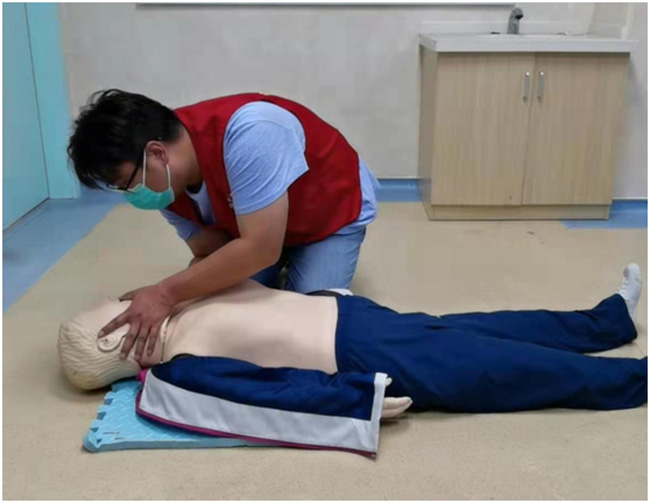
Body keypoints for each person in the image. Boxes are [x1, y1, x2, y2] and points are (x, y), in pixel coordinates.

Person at [59, 264, 647, 413]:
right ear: (116, 343)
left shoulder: (182, 303)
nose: (124, 300)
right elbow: (272, 392)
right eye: (113, 312)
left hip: (358, 319)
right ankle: (635, 379)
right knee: (507, 365)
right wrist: (358, 398)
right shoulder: (181, 366)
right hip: (364, 355)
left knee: (491, 326)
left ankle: (607, 321)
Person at [66, 89, 379, 362]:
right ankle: (276, 255)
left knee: (312, 327)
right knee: (219, 310)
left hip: (329, 213)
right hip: (258, 231)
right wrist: (188, 297)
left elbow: (261, 250)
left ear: (157, 153)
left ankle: (297, 258)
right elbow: (208, 250)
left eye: (127, 184)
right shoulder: (166, 182)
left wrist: (165, 293)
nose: (132, 195)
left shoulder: (251, 133)